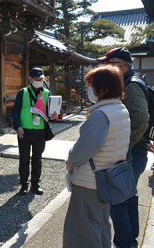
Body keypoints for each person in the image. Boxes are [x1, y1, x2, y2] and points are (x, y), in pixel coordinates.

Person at [63, 65, 131, 248]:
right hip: (108, 179)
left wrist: (69, 159)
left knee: (83, 231)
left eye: (91, 84)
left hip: (90, 182)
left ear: (104, 87)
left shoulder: (101, 115)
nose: (89, 89)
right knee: (101, 225)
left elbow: (81, 152)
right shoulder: (120, 110)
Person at [97, 47, 149, 248]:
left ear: (119, 65)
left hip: (130, 151)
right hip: (133, 150)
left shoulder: (131, 84)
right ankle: (128, 239)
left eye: (108, 64)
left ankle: (125, 243)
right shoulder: (130, 81)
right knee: (127, 196)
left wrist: (125, 145)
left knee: (117, 200)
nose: (105, 68)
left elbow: (141, 119)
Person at [11, 67, 57, 195]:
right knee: (24, 159)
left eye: (41, 79)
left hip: (40, 132)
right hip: (24, 132)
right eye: (36, 79)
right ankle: (24, 184)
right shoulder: (23, 92)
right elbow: (15, 112)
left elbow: (51, 114)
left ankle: (35, 184)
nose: (39, 81)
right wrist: (18, 126)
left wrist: (53, 117)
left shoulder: (47, 94)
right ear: (30, 79)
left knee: (37, 159)